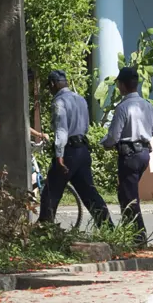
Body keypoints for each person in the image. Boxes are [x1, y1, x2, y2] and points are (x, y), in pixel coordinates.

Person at [39, 70, 111, 228]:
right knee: (89, 193)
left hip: (68, 151)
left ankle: (45, 231)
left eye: (49, 87)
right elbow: (85, 126)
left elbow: (61, 130)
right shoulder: (80, 99)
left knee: (50, 192)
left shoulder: (59, 102)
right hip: (83, 149)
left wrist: (59, 156)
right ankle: (108, 227)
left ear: (52, 84)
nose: (50, 91)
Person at [102, 66, 153, 244]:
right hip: (144, 154)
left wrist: (105, 144)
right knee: (125, 193)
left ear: (123, 86)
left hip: (129, 155)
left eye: (118, 84)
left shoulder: (123, 107)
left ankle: (139, 237)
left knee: (129, 197)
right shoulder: (148, 105)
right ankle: (129, 232)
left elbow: (113, 137)